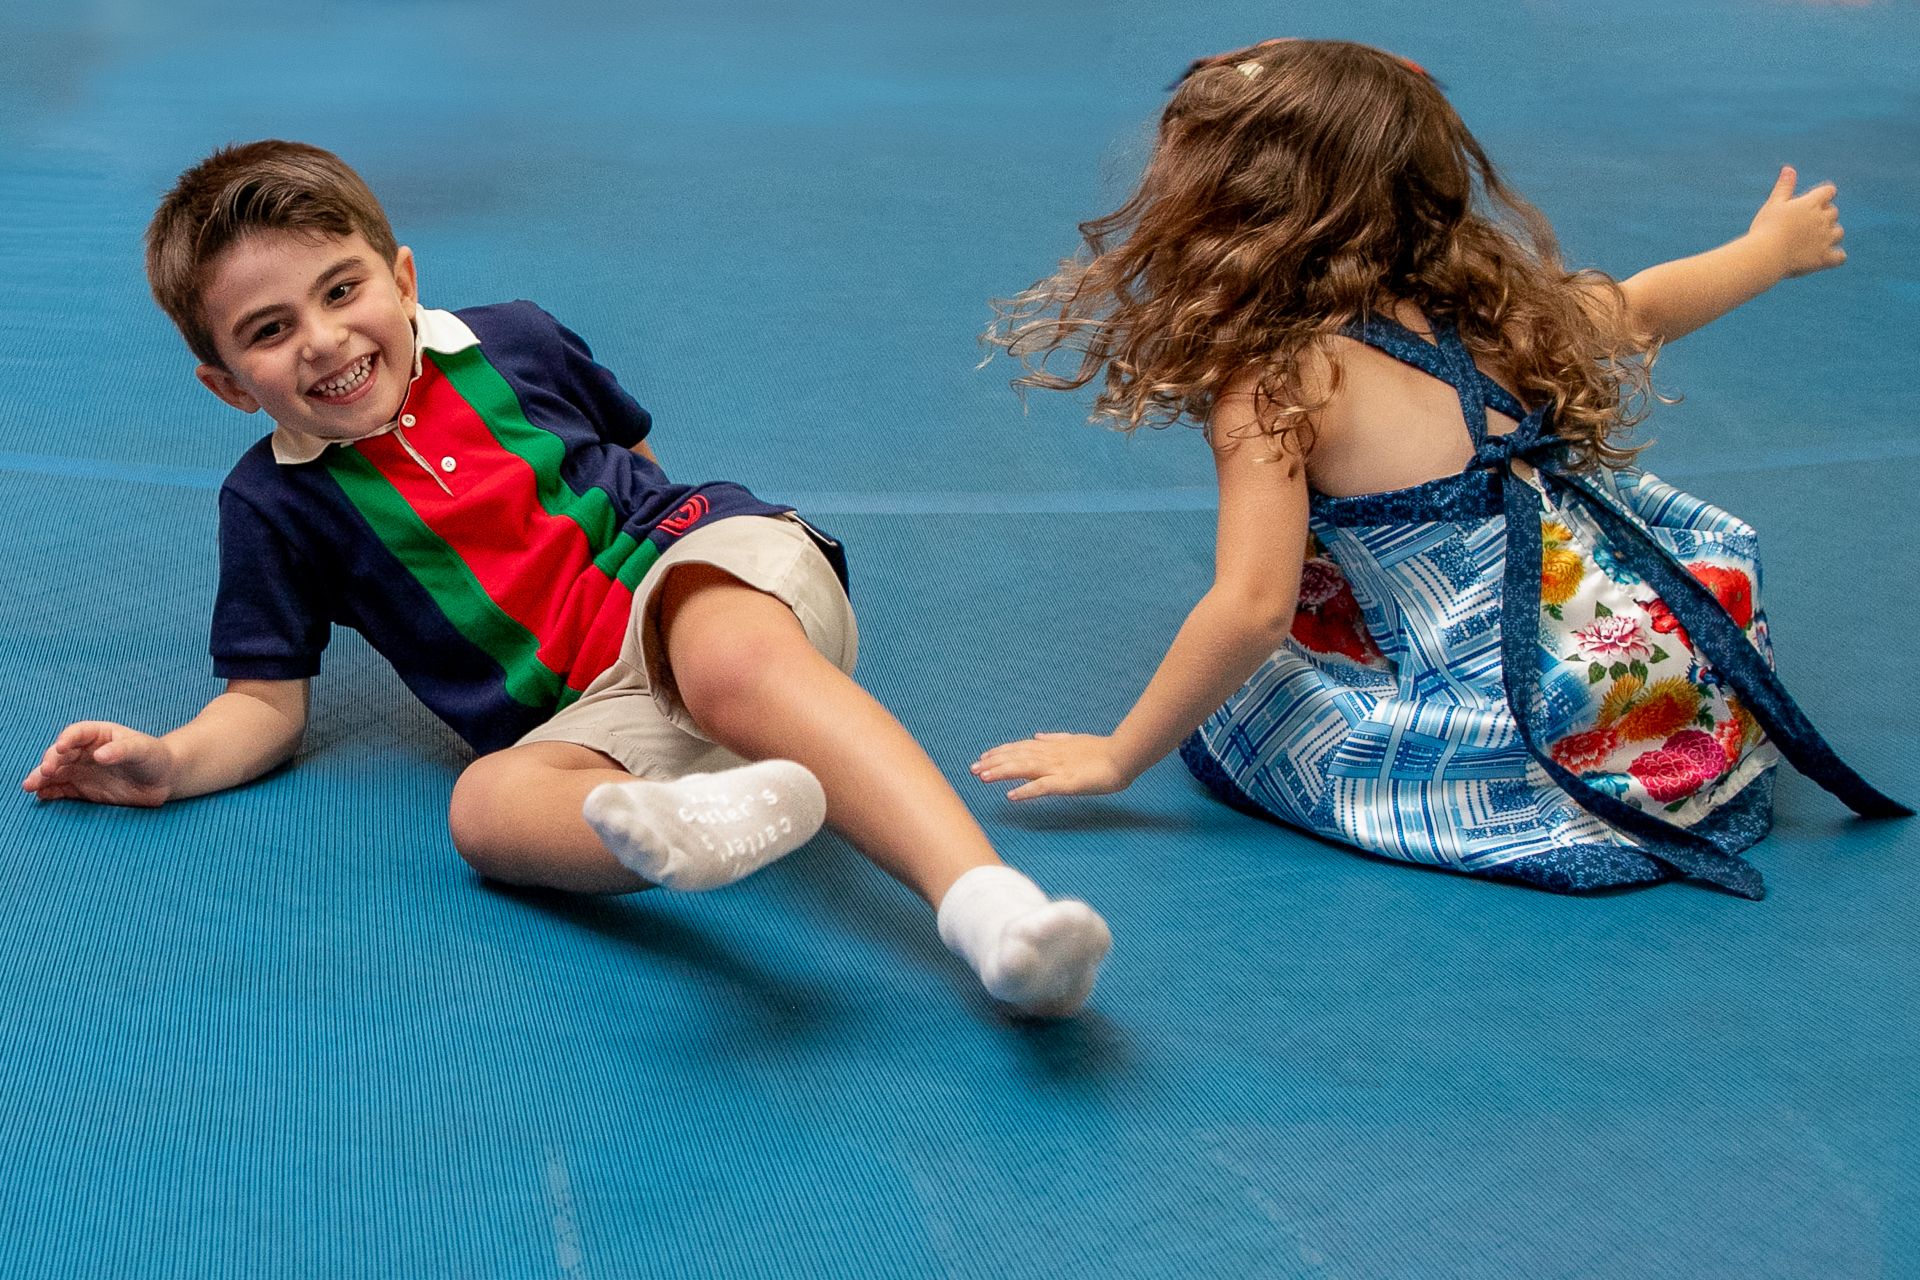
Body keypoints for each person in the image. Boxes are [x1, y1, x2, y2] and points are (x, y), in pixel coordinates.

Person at [22, 140, 1110, 1014]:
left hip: (698, 588)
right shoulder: (272, 503)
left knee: (725, 658)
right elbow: (263, 701)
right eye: (269, 331)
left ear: (401, 277)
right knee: (484, 809)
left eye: (340, 288)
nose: (321, 338)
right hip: (596, 714)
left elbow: (638, 462)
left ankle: (993, 914)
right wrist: (165, 763)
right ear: (226, 385)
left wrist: (701, 583)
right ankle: (682, 818)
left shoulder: (519, 342)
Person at [972, 39, 1906, 897]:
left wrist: (1120, 754)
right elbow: (1646, 305)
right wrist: (1767, 252)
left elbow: (1251, 608)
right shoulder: (1507, 309)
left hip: (1486, 685)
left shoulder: (1279, 379)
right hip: (1604, 625)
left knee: (1272, 706)